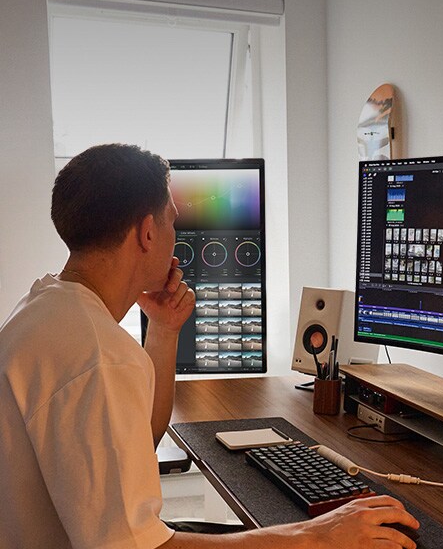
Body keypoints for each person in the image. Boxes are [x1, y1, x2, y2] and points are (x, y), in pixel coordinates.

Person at [0, 144, 419, 549]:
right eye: (171, 222)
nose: (175, 235)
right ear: (148, 232)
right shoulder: (99, 356)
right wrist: (314, 537)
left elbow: (137, 441)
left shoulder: (46, 308)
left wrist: (164, 331)